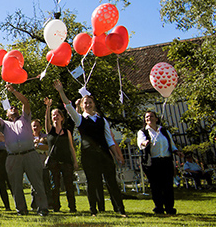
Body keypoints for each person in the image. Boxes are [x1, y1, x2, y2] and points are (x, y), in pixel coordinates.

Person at [54, 80, 126, 217]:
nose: (88, 104)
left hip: (104, 154)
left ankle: (120, 209)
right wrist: (61, 91)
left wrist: (116, 154)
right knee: (92, 182)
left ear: (94, 104)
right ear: (82, 106)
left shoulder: (102, 120)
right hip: (89, 156)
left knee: (112, 182)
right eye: (85, 103)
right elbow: (68, 107)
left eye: (90, 102)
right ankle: (93, 210)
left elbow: (109, 139)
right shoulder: (80, 119)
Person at [0, 84, 48, 216]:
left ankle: (42, 208)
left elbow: (25, 102)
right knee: (16, 185)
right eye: (10, 108)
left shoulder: (25, 119)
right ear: (7, 114)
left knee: (37, 182)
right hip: (13, 157)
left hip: (30, 154)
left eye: (15, 107)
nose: (13, 108)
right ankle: (21, 210)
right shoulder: (5, 124)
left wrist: (13, 91)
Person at [138, 111, 180, 214]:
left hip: (166, 161)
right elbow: (140, 143)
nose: (149, 118)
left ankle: (170, 207)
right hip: (153, 163)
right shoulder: (143, 132)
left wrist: (177, 151)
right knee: (156, 186)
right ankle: (159, 207)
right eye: (147, 117)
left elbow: (171, 144)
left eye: (151, 116)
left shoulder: (164, 131)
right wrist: (145, 142)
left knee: (168, 186)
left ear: (156, 119)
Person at [43, 98, 78, 213]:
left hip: (66, 161)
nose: (55, 116)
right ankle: (56, 207)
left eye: (58, 114)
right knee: (55, 186)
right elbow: (46, 121)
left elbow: (71, 147)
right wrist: (48, 108)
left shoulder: (66, 131)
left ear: (62, 118)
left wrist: (75, 161)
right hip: (54, 161)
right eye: (54, 115)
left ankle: (72, 207)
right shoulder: (50, 130)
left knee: (69, 185)